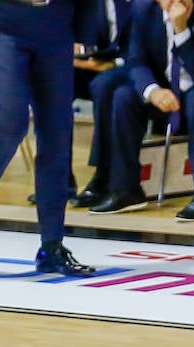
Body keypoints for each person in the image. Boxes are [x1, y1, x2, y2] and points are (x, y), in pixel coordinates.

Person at [0, 0, 100, 276]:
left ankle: (52, 245)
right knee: (11, 125)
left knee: (57, 135)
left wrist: (86, 30)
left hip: (56, 22)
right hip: (4, 21)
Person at [89, 0, 194, 222]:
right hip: (168, 81)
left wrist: (181, 30)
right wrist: (153, 92)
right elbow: (136, 61)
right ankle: (126, 190)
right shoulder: (143, 10)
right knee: (124, 96)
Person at [70, 0, 133, 210]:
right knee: (54, 77)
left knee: (104, 86)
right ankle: (57, 178)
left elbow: (151, 45)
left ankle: (103, 176)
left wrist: (114, 64)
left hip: (140, 66)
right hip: (100, 62)